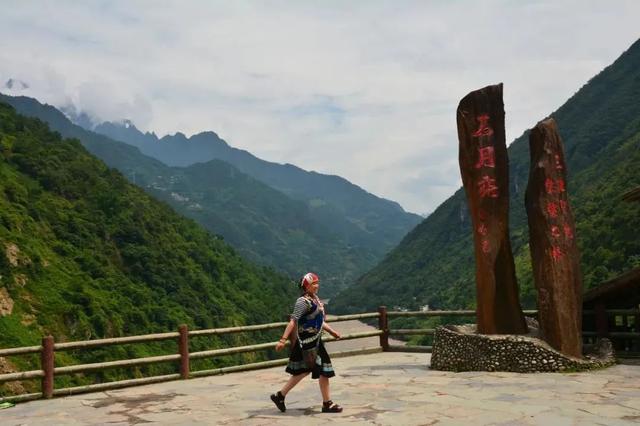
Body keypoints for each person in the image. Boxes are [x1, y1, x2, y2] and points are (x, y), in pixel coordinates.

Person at [270, 272, 343, 413]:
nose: (317, 286)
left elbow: (319, 321)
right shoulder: (302, 302)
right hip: (306, 343)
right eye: (313, 284)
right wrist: (283, 340)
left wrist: (332, 332)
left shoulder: (315, 300)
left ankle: (326, 402)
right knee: (305, 371)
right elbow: (293, 321)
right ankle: (281, 395)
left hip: (316, 341)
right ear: (306, 286)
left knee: (321, 371)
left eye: (317, 283)